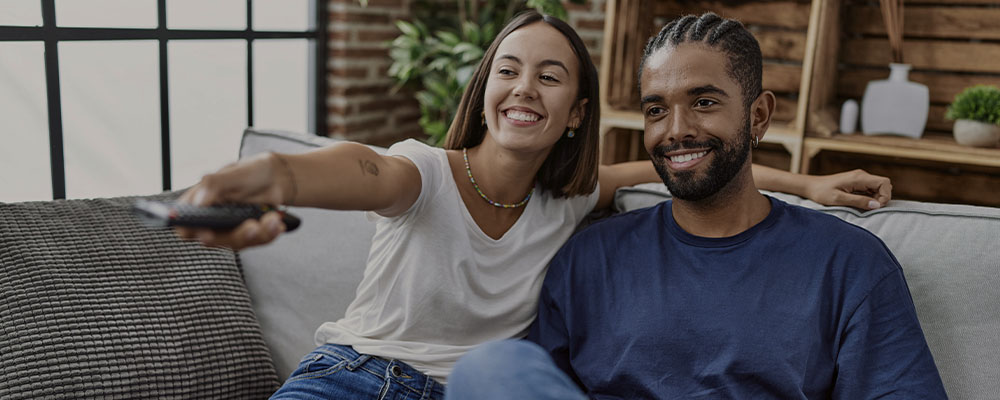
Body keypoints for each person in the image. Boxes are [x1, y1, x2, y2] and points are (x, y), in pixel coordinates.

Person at [177, 12, 893, 400]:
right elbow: (364, 169)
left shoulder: (570, 200)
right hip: (356, 380)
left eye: (549, 77)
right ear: (485, 91)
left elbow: (693, 158)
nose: (524, 88)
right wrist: (272, 172)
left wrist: (808, 186)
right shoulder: (423, 173)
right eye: (508, 71)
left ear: (576, 113)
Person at [445, 13, 945, 399]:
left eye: (704, 102)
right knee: (489, 368)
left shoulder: (849, 264)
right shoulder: (587, 258)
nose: (676, 129)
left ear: (758, 116)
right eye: (656, 109)